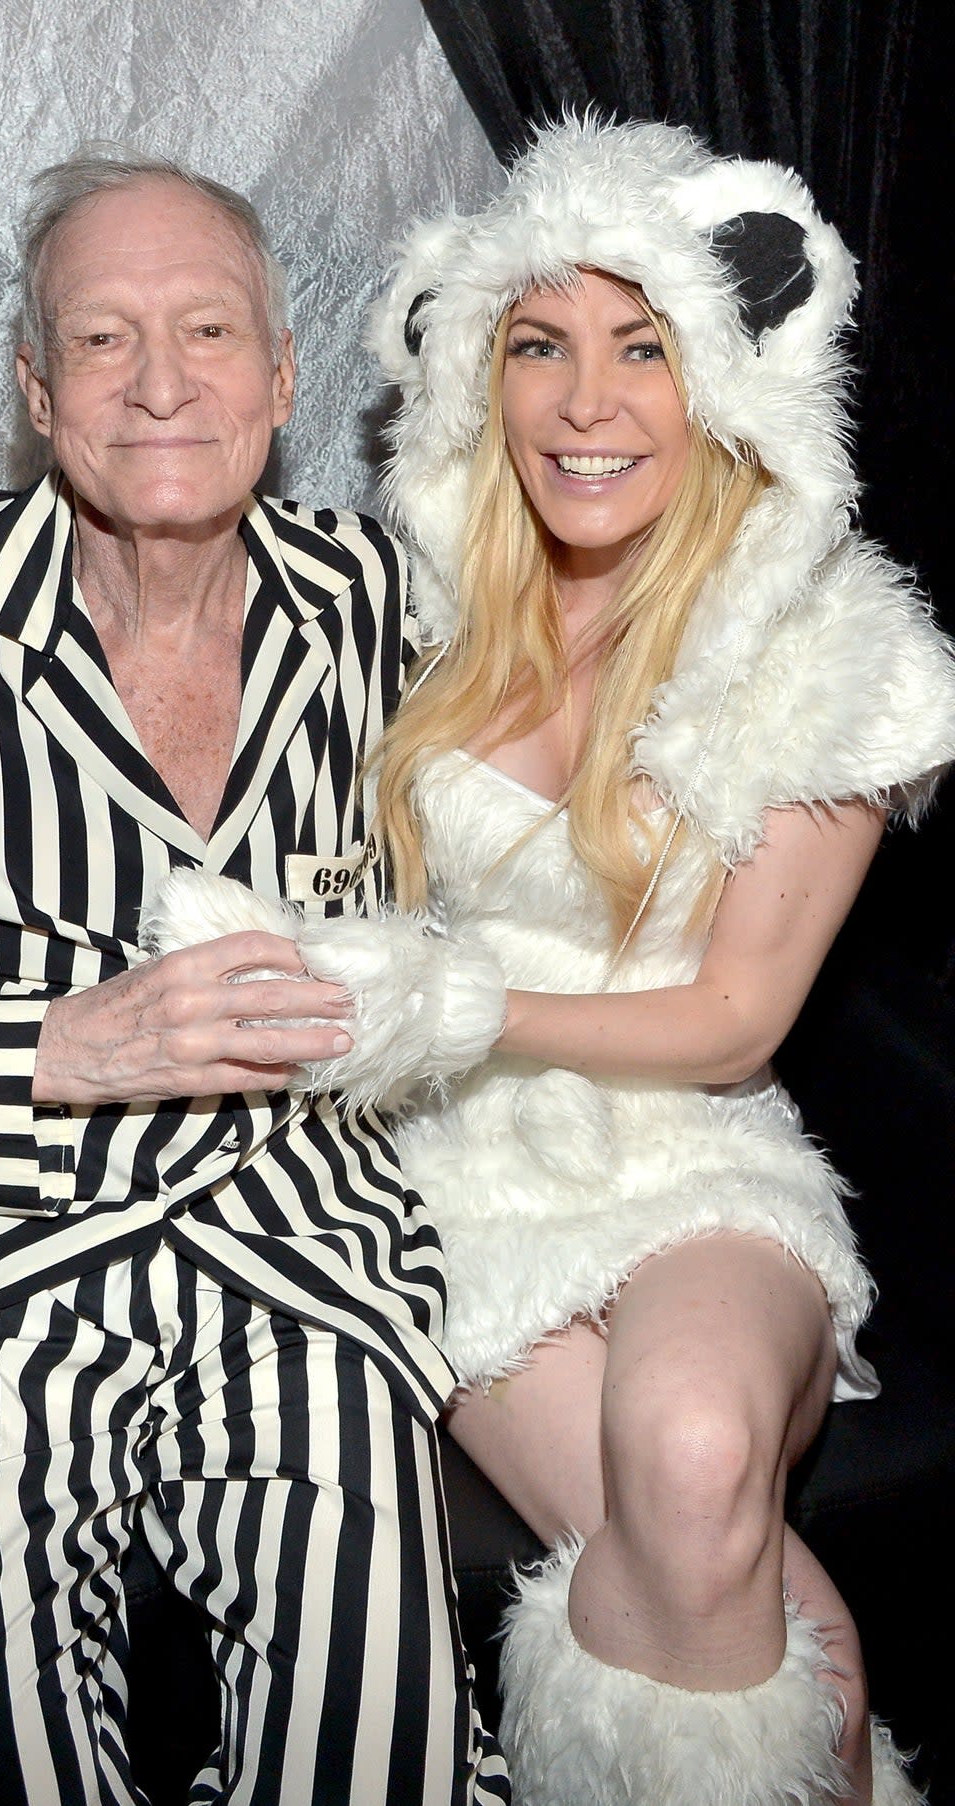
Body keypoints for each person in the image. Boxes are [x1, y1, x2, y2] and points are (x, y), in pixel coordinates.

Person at [0, 149, 511, 1806]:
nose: (161, 382)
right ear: (35, 391)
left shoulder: (389, 609)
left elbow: (569, 819)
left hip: (300, 1256)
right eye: (101, 341)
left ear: (285, 368)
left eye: (208, 331)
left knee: (370, 1739)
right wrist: (54, 1048)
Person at [355, 114, 955, 1806]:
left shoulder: (828, 639)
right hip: (448, 1175)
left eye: (645, 347)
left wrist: (456, 1001)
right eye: (540, 345)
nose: (586, 401)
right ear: (480, 366)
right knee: (711, 1579)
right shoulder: (416, 600)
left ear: (727, 376)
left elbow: (735, 1018)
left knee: (696, 1449)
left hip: (690, 1143)